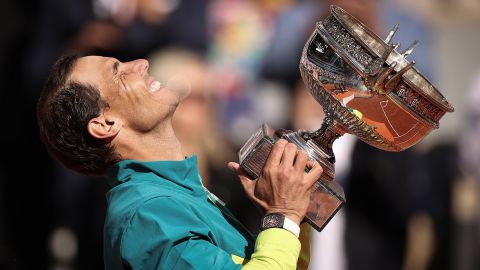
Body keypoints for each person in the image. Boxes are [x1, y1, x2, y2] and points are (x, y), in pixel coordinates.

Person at [36, 54, 323, 269]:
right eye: (119, 73)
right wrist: (282, 214)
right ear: (106, 124)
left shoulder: (173, 196)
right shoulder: (147, 216)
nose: (141, 63)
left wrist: (296, 208)